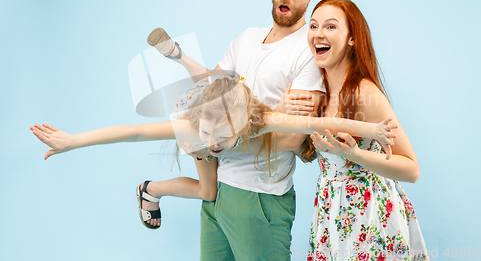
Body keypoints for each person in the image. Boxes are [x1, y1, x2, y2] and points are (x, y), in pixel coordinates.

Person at [146, 0, 327, 260]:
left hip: (260, 197)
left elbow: (291, 137)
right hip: (216, 191)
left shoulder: (308, 53)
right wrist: (202, 134)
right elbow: (212, 92)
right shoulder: (246, 39)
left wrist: (216, 141)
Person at [30, 75, 397, 231]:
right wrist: (72, 141)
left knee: (210, 192)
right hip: (198, 127)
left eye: (226, 137)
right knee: (209, 184)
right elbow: (134, 131)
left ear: (245, 125)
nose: (219, 144)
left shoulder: (261, 121)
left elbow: (316, 126)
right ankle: (151, 188)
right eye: (213, 134)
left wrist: (375, 129)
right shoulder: (197, 130)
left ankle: (150, 189)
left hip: (231, 113)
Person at [298, 0, 428, 260]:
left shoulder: (363, 92)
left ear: (352, 38)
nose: (319, 34)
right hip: (331, 214)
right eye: (313, 26)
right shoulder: (319, 90)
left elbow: (411, 169)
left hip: (370, 218)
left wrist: (355, 155)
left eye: (331, 27)